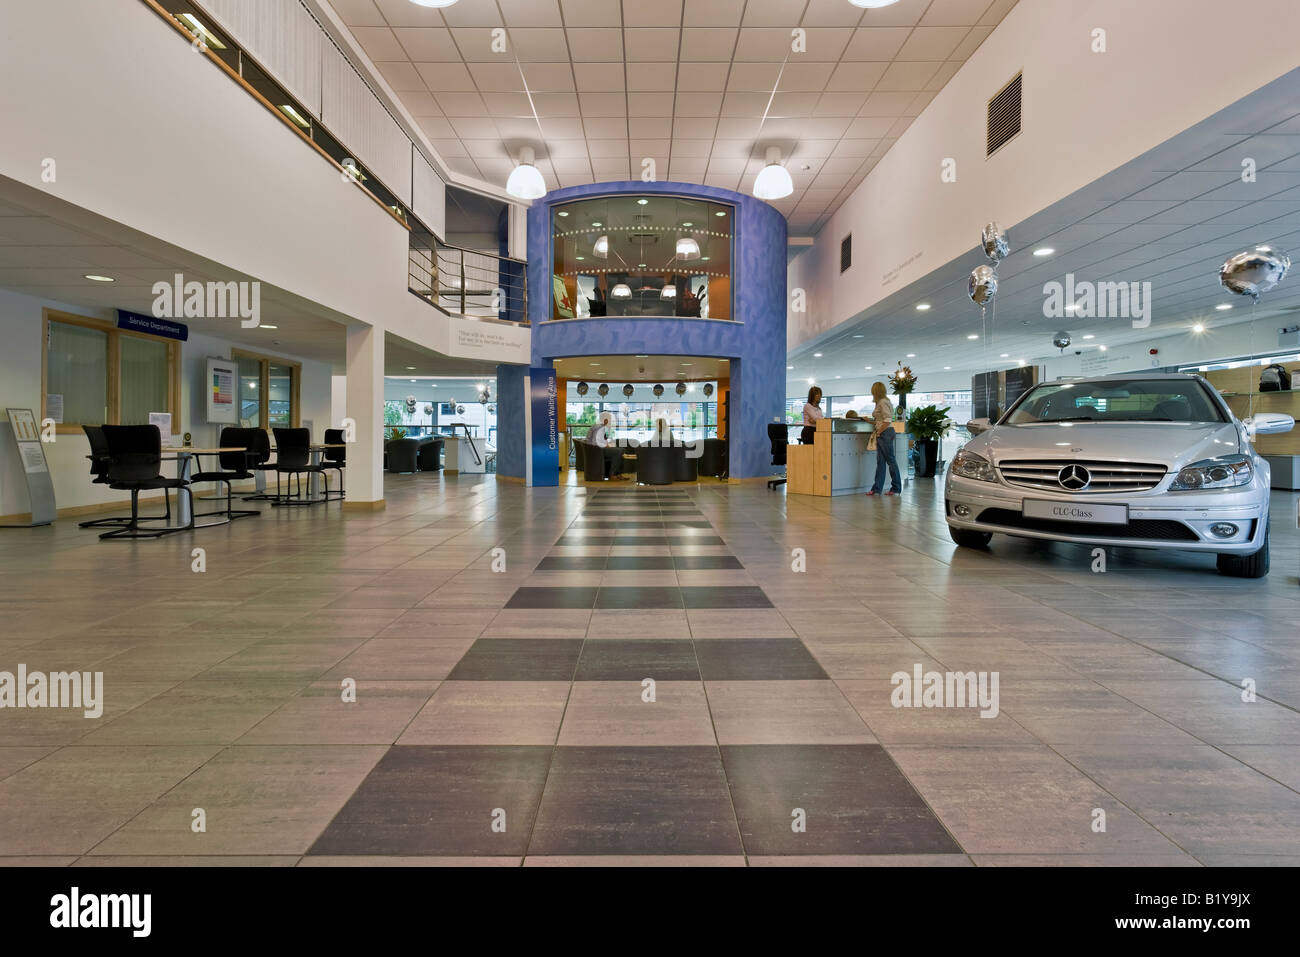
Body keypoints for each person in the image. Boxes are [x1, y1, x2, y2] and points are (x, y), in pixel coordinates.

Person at [867, 381, 902, 496]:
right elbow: (881, 420)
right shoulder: (881, 402)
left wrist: (879, 432)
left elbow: (887, 420)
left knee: (890, 461)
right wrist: (869, 421)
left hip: (885, 433)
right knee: (881, 462)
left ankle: (896, 487)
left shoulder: (882, 402)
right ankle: (877, 488)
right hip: (884, 432)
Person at [590, 412, 627, 479]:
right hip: (596, 450)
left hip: (599, 448)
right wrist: (606, 445)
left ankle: (618, 473)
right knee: (618, 451)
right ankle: (612, 474)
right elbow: (595, 442)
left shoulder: (602, 427)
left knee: (622, 450)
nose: (610, 421)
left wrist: (608, 444)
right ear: (605, 420)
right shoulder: (598, 427)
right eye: (610, 419)